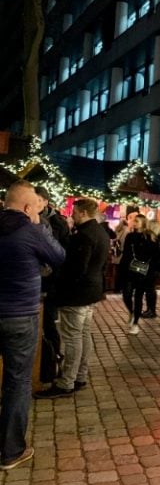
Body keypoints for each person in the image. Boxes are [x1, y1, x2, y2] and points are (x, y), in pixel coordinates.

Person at [0, 180, 66, 470]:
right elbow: (59, 256)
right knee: (17, 382)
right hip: (20, 316)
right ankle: (11, 450)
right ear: (28, 207)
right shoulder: (29, 230)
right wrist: (39, 225)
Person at [35, 198, 110, 398]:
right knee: (83, 334)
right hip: (91, 291)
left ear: (84, 213)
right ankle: (80, 375)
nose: (72, 215)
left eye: (75, 212)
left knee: (73, 337)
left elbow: (76, 269)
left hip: (77, 294)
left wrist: (58, 282)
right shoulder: (100, 232)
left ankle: (66, 381)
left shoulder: (84, 236)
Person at [34, 186, 70, 384]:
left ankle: (53, 354)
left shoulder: (55, 223)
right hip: (39, 282)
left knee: (48, 322)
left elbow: (58, 255)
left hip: (50, 282)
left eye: (37, 200)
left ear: (45, 202)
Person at [120, 214, 160, 333]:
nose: (134, 223)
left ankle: (135, 323)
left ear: (143, 222)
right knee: (126, 294)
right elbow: (126, 253)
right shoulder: (130, 236)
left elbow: (157, 254)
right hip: (130, 269)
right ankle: (132, 312)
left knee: (138, 296)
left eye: (137, 221)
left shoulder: (150, 236)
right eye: (133, 221)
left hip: (145, 271)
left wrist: (154, 270)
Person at [142, 220, 160, 318]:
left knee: (150, 289)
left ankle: (151, 310)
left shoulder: (154, 240)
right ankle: (150, 309)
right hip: (155, 268)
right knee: (150, 289)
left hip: (152, 268)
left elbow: (154, 255)